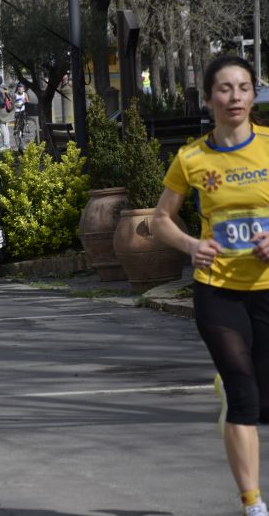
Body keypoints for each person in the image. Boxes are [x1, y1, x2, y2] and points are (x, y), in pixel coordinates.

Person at [152, 55, 269, 516]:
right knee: (243, 394)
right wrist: (190, 245)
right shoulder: (192, 158)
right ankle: (253, 504)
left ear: (253, 95)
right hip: (217, 289)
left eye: (243, 87)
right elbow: (160, 220)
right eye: (224, 88)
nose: (234, 96)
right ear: (208, 99)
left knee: (263, 398)